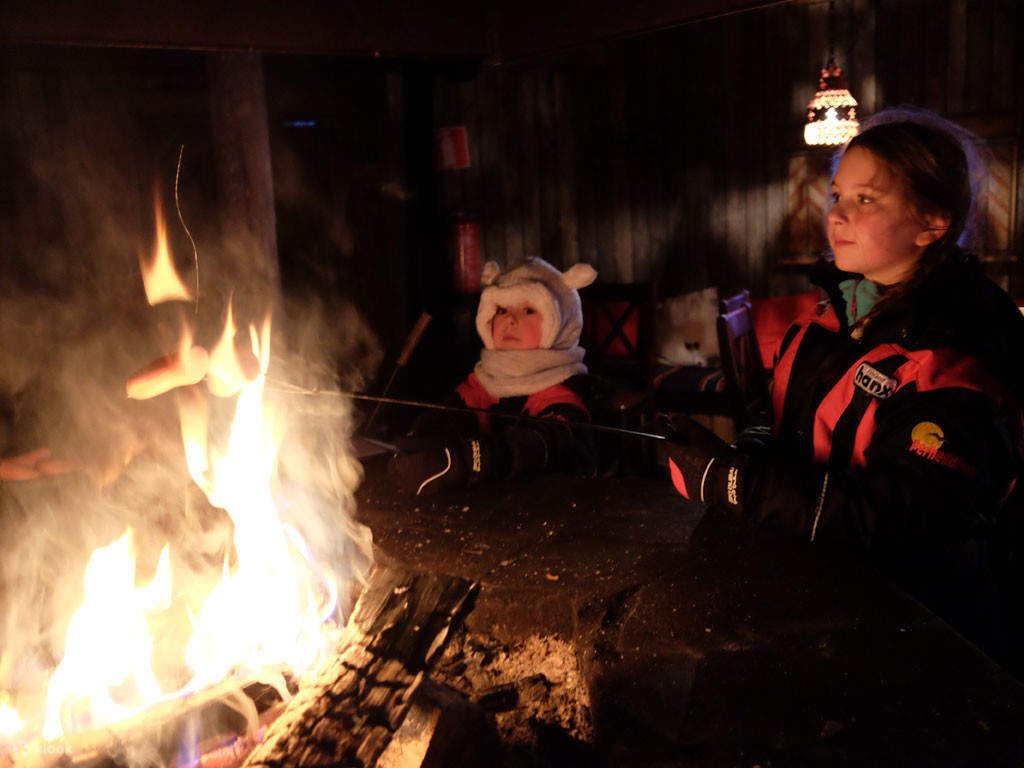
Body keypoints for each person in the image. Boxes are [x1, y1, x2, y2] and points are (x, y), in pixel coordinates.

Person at [662, 107, 1024, 669]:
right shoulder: (832, 318)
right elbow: (786, 426)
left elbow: (899, 523)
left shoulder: (958, 363)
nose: (837, 215)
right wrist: (743, 451)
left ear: (933, 222)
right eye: (836, 196)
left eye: (866, 199)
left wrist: (740, 486)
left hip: (916, 638)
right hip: (819, 594)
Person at [388, 257, 600, 496]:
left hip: (558, 512)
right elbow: (450, 414)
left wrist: (472, 460)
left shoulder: (565, 389)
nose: (510, 319)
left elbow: (551, 444)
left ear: (561, 323)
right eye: (501, 309)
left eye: (529, 310)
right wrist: (422, 441)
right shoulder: (483, 381)